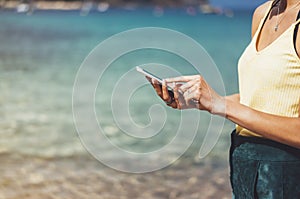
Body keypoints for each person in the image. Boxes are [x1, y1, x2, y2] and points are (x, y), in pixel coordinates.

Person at [147, 0, 300, 198]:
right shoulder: (262, 14)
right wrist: (202, 101)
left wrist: (221, 105)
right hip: (245, 168)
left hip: (286, 175)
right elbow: (259, 99)